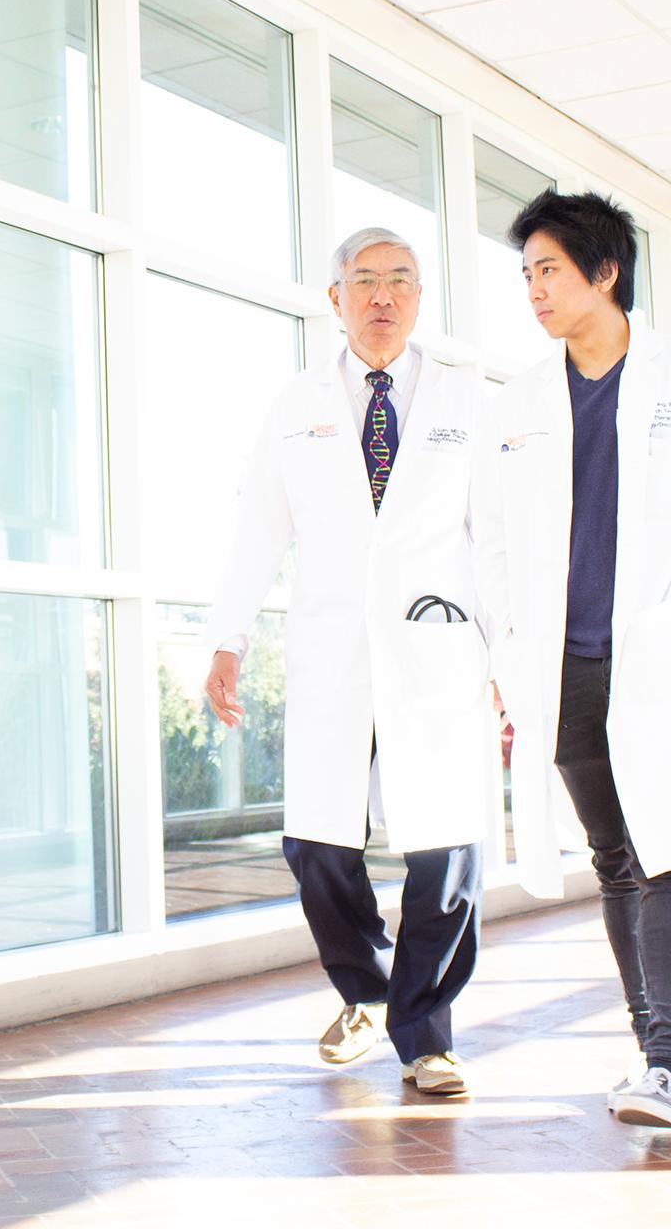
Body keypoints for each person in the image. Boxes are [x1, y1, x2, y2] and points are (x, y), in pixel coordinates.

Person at [472, 189, 671, 1133]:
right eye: (525, 274)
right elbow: (498, 541)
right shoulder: (519, 396)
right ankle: (652, 1058)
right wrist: (508, 651)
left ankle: (667, 1064)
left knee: (664, 852)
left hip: (651, 656)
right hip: (560, 670)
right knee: (614, 860)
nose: (534, 290)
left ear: (605, 271)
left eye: (549, 269)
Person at [205, 227, 493, 1096]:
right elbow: (260, 525)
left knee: (446, 851)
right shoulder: (296, 405)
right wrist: (228, 636)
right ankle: (367, 992)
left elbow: (500, 538)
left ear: (419, 298)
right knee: (318, 846)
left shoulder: (465, 399)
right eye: (364, 281)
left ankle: (428, 1035)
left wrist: (511, 660)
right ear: (334, 299)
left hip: (435, 649)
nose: (382, 296)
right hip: (335, 650)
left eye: (400, 281)